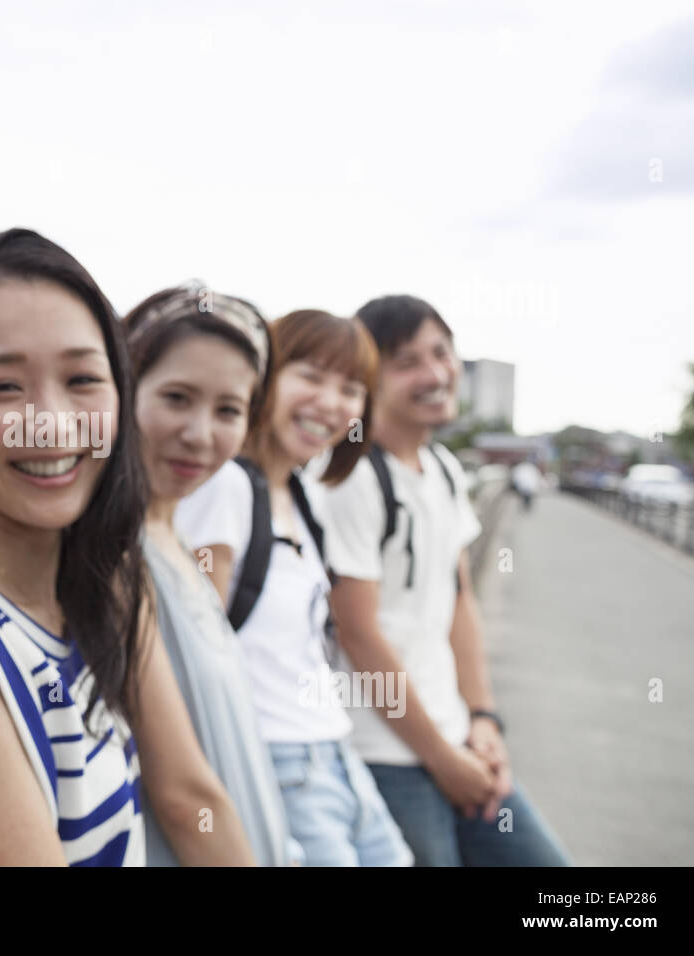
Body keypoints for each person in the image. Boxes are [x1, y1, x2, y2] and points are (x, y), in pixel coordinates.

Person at [0, 230, 256, 865]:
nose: (48, 419)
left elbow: (189, 795)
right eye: (2, 387)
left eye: (81, 378)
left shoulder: (107, 572)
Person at [318, 293, 570, 866]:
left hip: (456, 737)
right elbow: (358, 636)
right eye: (407, 363)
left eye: (442, 353)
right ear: (370, 379)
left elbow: (459, 602)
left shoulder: (443, 470)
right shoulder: (349, 476)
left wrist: (483, 720)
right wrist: (441, 757)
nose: (435, 374)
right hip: (385, 753)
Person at [176, 308, 412, 866]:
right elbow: (192, 659)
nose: (332, 403)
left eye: (352, 389)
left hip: (334, 751)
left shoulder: (301, 498)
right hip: (275, 763)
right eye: (310, 376)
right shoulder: (225, 486)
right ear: (261, 380)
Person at [124, 283, 301, 866]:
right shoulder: (118, 558)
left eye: (228, 410)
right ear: (124, 391)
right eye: (176, 398)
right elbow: (181, 795)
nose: (201, 434)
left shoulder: (175, 542)